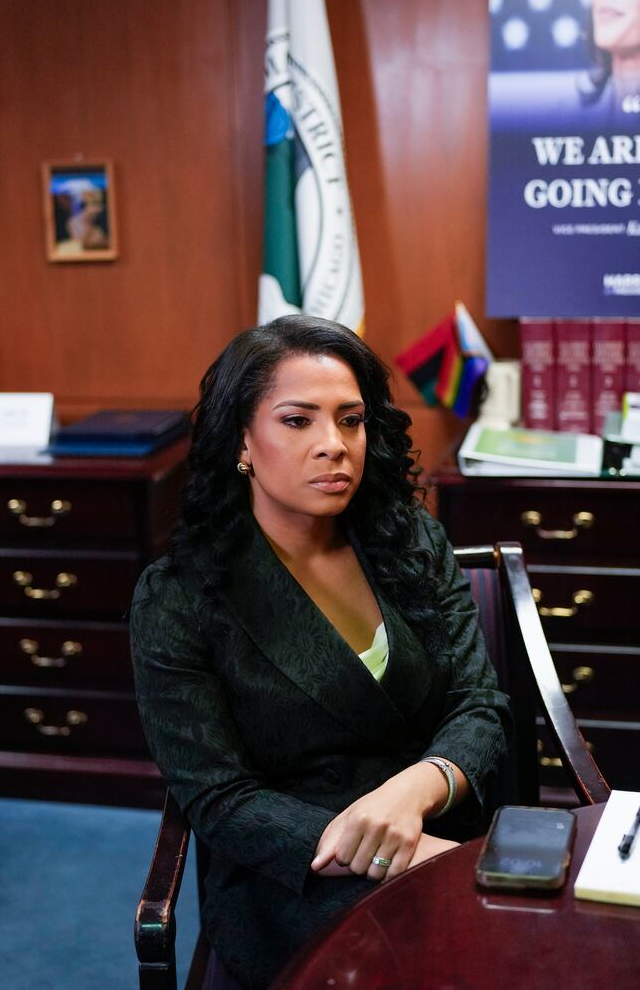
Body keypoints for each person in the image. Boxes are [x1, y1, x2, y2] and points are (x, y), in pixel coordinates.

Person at [129, 316, 510, 989]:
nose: (334, 445)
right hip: (295, 871)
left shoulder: (409, 539)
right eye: (298, 420)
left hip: (446, 825)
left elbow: (479, 704)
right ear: (243, 439)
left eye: (351, 420)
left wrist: (413, 793)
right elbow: (220, 799)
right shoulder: (180, 595)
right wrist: (398, 851)